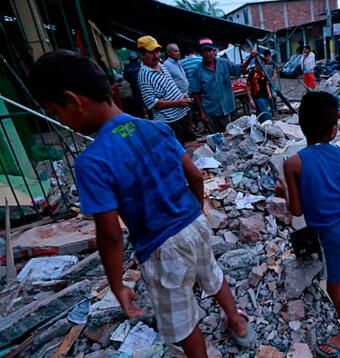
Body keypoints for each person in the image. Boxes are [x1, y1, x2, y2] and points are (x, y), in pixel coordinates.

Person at [28, 49, 256, 358]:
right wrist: (198, 210)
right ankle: (240, 326)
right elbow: (196, 177)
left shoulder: (93, 162)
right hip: (194, 223)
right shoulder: (158, 128)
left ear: (73, 101)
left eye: (56, 111)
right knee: (211, 274)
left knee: (183, 322)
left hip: (161, 247)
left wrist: (117, 284)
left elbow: (109, 235)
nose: (60, 119)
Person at [275, 91, 340, 357]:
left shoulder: (293, 163)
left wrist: (283, 192)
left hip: (337, 236)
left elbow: (296, 210)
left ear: (301, 126)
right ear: (334, 130)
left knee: (334, 290)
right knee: (333, 244)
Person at [136, 35, 195, 144]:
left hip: (183, 115)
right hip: (170, 121)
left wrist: (181, 96)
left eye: (157, 51)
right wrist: (178, 102)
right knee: (179, 151)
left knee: (192, 144)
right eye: (151, 52)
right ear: (142, 54)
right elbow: (151, 103)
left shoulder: (161, 65)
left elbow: (170, 85)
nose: (156, 55)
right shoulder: (143, 76)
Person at [190, 38, 256, 133]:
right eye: (204, 51)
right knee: (216, 138)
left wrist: (250, 58)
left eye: (209, 50)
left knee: (230, 135)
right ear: (200, 54)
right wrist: (202, 113)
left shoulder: (224, 63)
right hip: (210, 111)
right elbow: (196, 94)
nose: (208, 54)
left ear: (214, 51)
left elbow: (239, 70)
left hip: (227, 108)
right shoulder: (197, 71)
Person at [122, 51, 145, 117]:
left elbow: (125, 77)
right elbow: (125, 77)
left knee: (141, 101)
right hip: (136, 87)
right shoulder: (140, 64)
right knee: (140, 101)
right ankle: (144, 114)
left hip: (140, 86)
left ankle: (144, 114)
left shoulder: (140, 64)